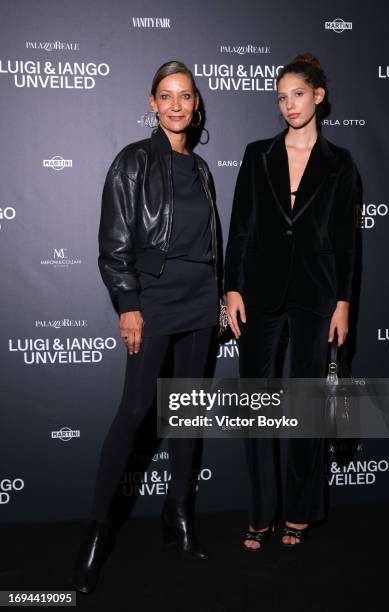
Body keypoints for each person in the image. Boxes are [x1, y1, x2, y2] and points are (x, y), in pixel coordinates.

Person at [72, 60, 219, 593]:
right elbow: (113, 246)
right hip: (153, 302)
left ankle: (176, 515)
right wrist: (128, 303)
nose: (177, 105)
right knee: (135, 412)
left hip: (201, 302)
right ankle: (96, 534)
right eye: (166, 96)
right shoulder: (132, 162)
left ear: (196, 105)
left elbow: (208, 246)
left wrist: (221, 296)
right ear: (152, 105)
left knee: (186, 414)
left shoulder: (201, 170)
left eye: (186, 96)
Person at [224, 53, 358, 549]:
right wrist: (232, 287)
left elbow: (347, 240)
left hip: (316, 294)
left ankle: (299, 511)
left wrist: (343, 302)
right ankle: (260, 512)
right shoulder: (257, 153)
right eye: (281, 97)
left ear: (318, 96)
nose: (289, 105)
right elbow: (240, 225)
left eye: (297, 94)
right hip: (258, 292)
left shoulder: (340, 164)